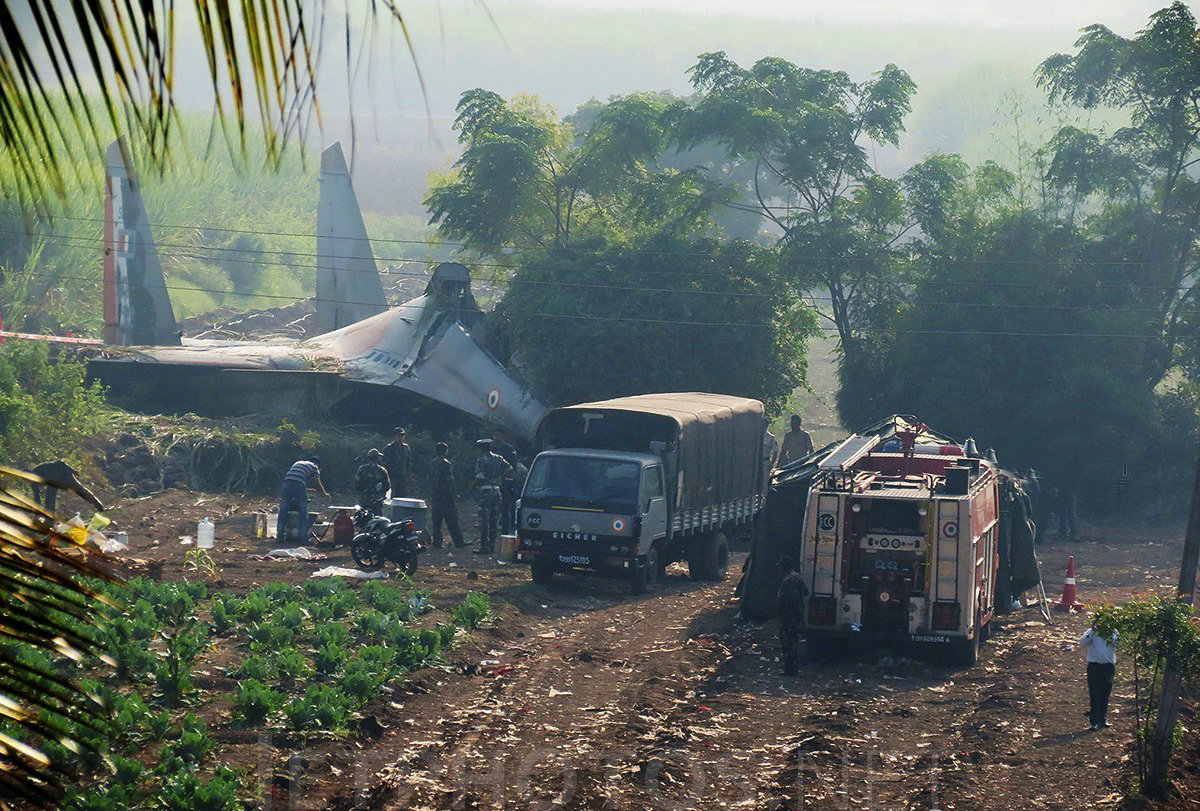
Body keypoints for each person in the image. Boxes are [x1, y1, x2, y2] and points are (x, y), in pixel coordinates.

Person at [473, 438, 512, 555]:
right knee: (494, 519)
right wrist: (500, 478)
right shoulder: (498, 458)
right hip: (497, 490)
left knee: (484, 520)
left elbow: (480, 477)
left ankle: (484, 547)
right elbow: (509, 468)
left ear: (480, 448)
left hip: (485, 491)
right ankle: (492, 546)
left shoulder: (481, 459)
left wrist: (472, 486)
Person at [278, 456, 328, 542]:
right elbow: (317, 482)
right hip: (298, 486)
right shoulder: (314, 467)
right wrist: (324, 494)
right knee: (303, 511)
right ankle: (302, 537)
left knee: (283, 510)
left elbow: (294, 480)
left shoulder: (298, 463)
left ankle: (280, 535)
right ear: (317, 464)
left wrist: (305, 489)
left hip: (286, 485)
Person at [1080, 621, 1118, 730]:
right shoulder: (1091, 632)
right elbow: (1082, 643)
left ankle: (1103, 719)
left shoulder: (1113, 632)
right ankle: (1094, 721)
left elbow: (1117, 644)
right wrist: (1092, 631)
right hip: (1094, 666)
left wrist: (1108, 633)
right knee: (1094, 693)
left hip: (1108, 667)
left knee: (1105, 693)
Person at [31, 460, 105, 515]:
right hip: (54, 483)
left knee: (80, 490)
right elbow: (37, 498)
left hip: (64, 475)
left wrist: (72, 470)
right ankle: (49, 519)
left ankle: (98, 505)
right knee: (49, 500)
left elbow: (59, 462)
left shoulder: (39, 469)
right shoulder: (32, 481)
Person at [428, 442, 465, 548]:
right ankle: (458, 541)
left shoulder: (432, 463)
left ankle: (437, 541)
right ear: (445, 451)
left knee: (437, 520)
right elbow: (450, 480)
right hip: (446, 495)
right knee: (452, 519)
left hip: (435, 494)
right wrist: (455, 493)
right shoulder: (446, 463)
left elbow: (429, 479)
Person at [777, 556, 809, 676]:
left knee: (787, 643)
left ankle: (789, 669)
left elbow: (783, 600)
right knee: (794, 642)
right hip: (797, 615)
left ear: (784, 567)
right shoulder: (798, 577)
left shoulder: (787, 581)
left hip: (788, 616)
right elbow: (806, 591)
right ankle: (793, 668)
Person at [492, 430, 520, 534]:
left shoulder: (509, 449)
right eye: (494, 435)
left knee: (506, 507)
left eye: (498, 435)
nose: (495, 437)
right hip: (494, 482)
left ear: (503, 436)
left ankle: (507, 530)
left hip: (506, 482)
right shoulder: (492, 448)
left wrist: (510, 479)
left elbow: (513, 466)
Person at [354, 449, 391, 516]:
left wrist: (364, 491)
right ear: (377, 458)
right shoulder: (382, 470)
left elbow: (357, 485)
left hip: (364, 500)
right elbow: (387, 486)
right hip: (377, 501)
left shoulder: (361, 469)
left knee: (363, 519)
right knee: (377, 521)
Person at [382, 427, 411, 498]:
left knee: (403, 496)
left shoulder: (406, 447)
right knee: (392, 496)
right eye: (399, 435)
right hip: (392, 476)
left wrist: (409, 474)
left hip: (403, 476)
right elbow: (385, 462)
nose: (401, 437)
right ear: (394, 436)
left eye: (402, 435)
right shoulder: (389, 448)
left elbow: (409, 462)